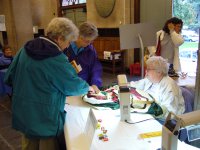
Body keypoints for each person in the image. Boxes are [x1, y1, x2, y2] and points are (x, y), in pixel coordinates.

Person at [4, 17, 94, 150]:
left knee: (28, 144)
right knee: (47, 145)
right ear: (59, 38)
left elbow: (9, 76)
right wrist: (88, 87)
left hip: (23, 109)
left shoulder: (25, 48)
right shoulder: (56, 58)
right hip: (45, 114)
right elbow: (71, 85)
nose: (68, 45)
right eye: (68, 41)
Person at [63, 22, 102, 94]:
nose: (89, 43)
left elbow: (96, 68)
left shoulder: (90, 49)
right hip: (67, 88)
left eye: (91, 41)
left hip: (85, 88)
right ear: (78, 36)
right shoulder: (65, 47)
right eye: (87, 41)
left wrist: (95, 83)